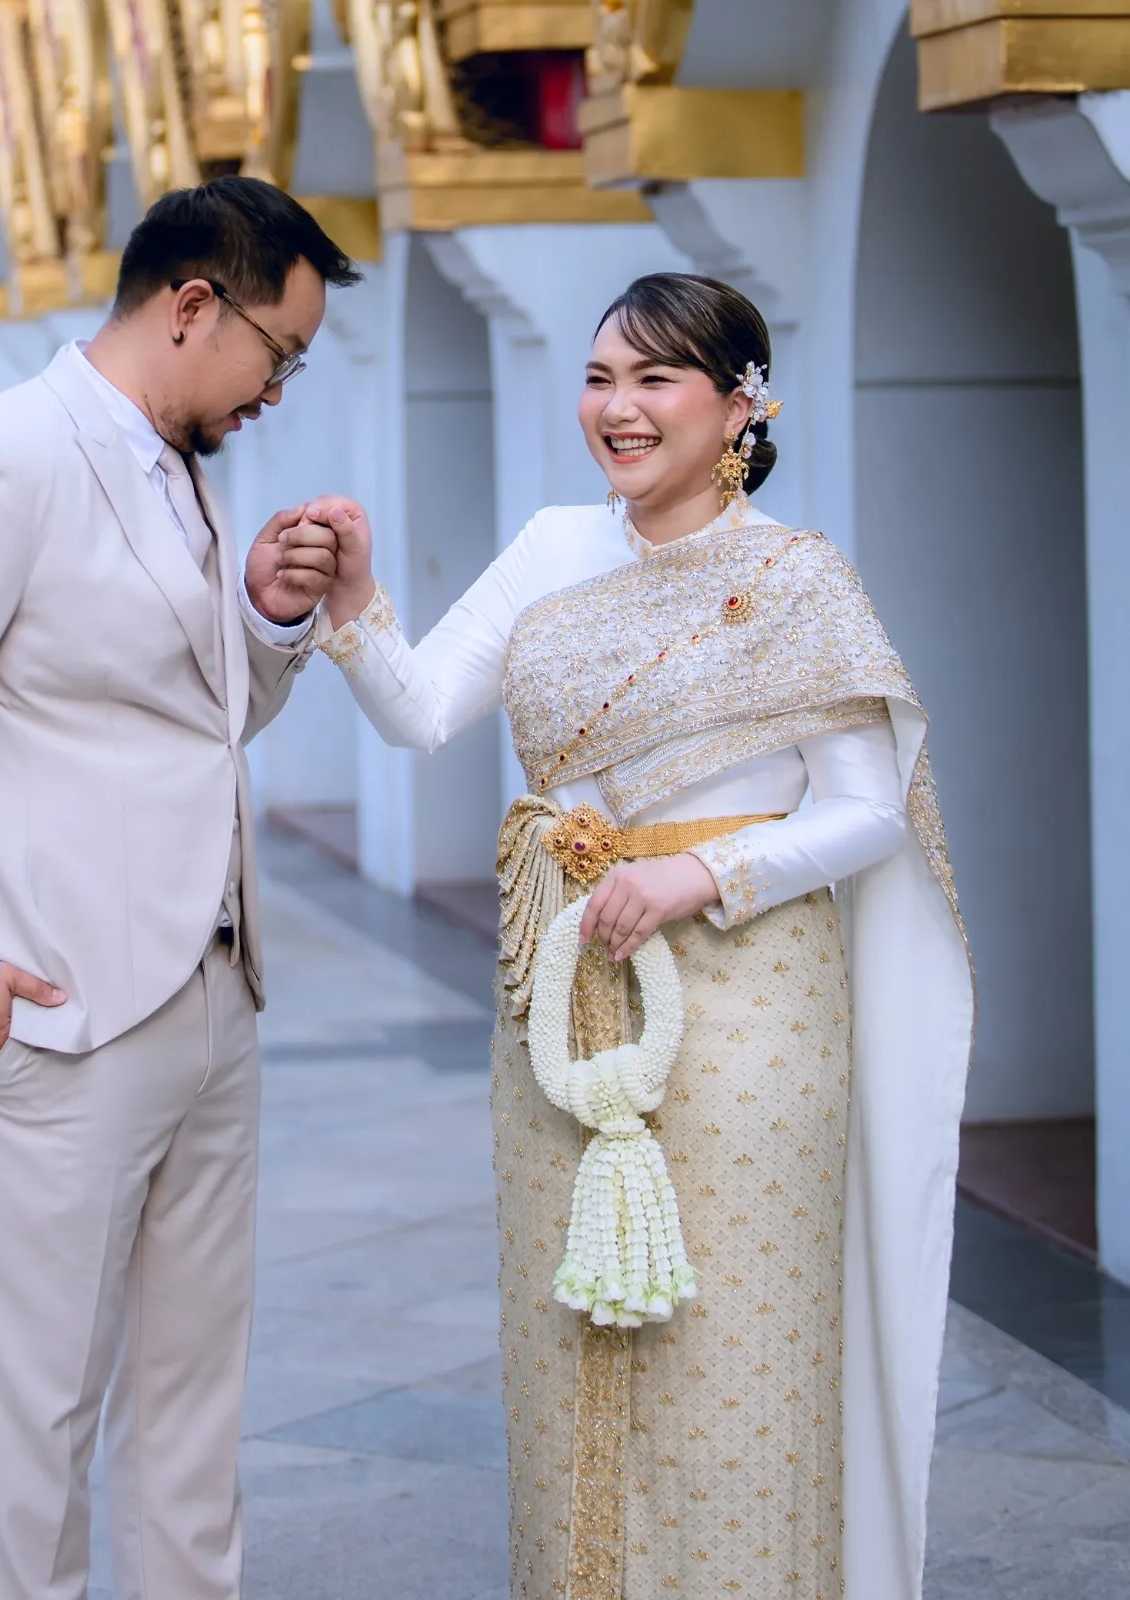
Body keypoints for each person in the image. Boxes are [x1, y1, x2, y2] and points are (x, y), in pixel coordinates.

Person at [305, 273, 973, 1600]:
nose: (618, 407)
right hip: (572, 995)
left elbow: (867, 815)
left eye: (656, 378)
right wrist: (357, 600)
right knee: (574, 1344)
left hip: (753, 1009)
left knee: (734, 1347)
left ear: (741, 403)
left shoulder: (795, 581)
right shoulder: (556, 548)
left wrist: (700, 876)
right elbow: (424, 709)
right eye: (602, 377)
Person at [0, 176, 361, 1600]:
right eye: (278, 353)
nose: (278, 391)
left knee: (195, 1418)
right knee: (35, 1422)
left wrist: (264, 615)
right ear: (193, 305)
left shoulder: (177, 464)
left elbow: (185, 719)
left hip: (211, 1004)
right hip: (55, 1023)